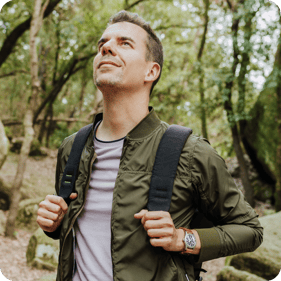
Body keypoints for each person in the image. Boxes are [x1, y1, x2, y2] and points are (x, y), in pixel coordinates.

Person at [36, 10, 263, 281]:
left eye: (124, 43)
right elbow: (82, 235)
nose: (106, 47)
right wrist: (54, 224)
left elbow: (250, 230)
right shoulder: (72, 148)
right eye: (102, 45)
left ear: (151, 71)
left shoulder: (190, 152)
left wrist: (183, 239)